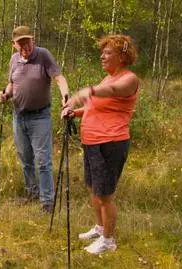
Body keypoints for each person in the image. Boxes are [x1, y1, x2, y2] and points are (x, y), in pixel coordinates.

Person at [62, 34, 139, 254]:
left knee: (104, 194)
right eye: (102, 52)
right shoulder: (107, 78)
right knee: (93, 188)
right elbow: (95, 107)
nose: (102, 56)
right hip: (92, 141)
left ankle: (108, 241)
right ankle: (99, 228)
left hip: (111, 142)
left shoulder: (129, 79)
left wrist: (90, 91)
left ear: (122, 57)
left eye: (108, 53)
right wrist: (74, 112)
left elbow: (114, 92)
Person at [0, 26, 70, 213]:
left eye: (27, 42)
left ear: (33, 39)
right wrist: (6, 94)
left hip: (40, 117)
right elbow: (13, 83)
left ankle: (47, 202)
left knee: (43, 160)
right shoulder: (14, 60)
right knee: (26, 158)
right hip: (19, 116)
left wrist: (65, 95)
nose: (25, 47)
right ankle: (31, 192)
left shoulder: (43, 55)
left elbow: (59, 77)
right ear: (14, 45)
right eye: (20, 44)